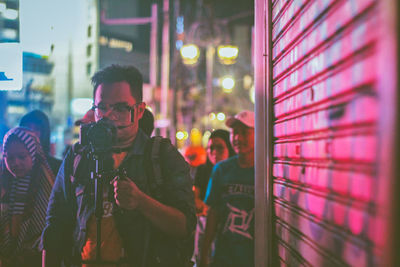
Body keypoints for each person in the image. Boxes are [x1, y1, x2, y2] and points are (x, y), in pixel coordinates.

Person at [41, 65, 196, 267]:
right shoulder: (79, 155)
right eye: (102, 108)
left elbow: (185, 226)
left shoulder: (161, 156)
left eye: (121, 108)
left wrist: (141, 201)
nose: (109, 116)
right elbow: (55, 224)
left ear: (139, 111)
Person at [199, 110, 255, 267]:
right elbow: (213, 213)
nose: (238, 138)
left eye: (244, 133)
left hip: (254, 258)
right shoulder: (221, 170)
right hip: (224, 257)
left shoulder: (267, 172)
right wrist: (204, 254)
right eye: (235, 133)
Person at [0, 127, 54, 267]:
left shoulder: (47, 187)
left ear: (33, 155)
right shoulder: (3, 184)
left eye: (22, 157)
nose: (16, 163)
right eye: (10, 158)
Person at [193, 129, 235, 264]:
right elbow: (195, 197)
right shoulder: (202, 170)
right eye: (211, 148)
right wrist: (202, 205)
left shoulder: (235, 171)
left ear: (229, 148)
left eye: (219, 147)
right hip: (205, 223)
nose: (214, 152)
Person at [19, 110, 62, 175]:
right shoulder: (12, 164)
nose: (31, 132)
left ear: (45, 133)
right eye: (27, 127)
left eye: (37, 129)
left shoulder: (57, 167)